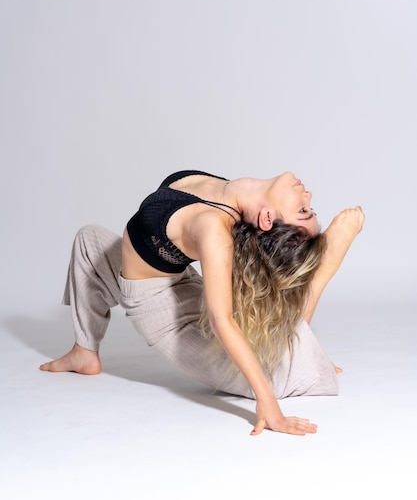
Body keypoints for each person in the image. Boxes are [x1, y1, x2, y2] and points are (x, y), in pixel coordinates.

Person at [40, 169, 364, 436]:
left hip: (167, 317)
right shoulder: (232, 193)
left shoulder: (214, 226)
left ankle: (323, 272)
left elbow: (222, 320)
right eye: (307, 209)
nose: (307, 196)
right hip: (172, 282)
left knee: (283, 371)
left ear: (267, 218)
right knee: (89, 239)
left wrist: (269, 406)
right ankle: (84, 351)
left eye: (303, 210)